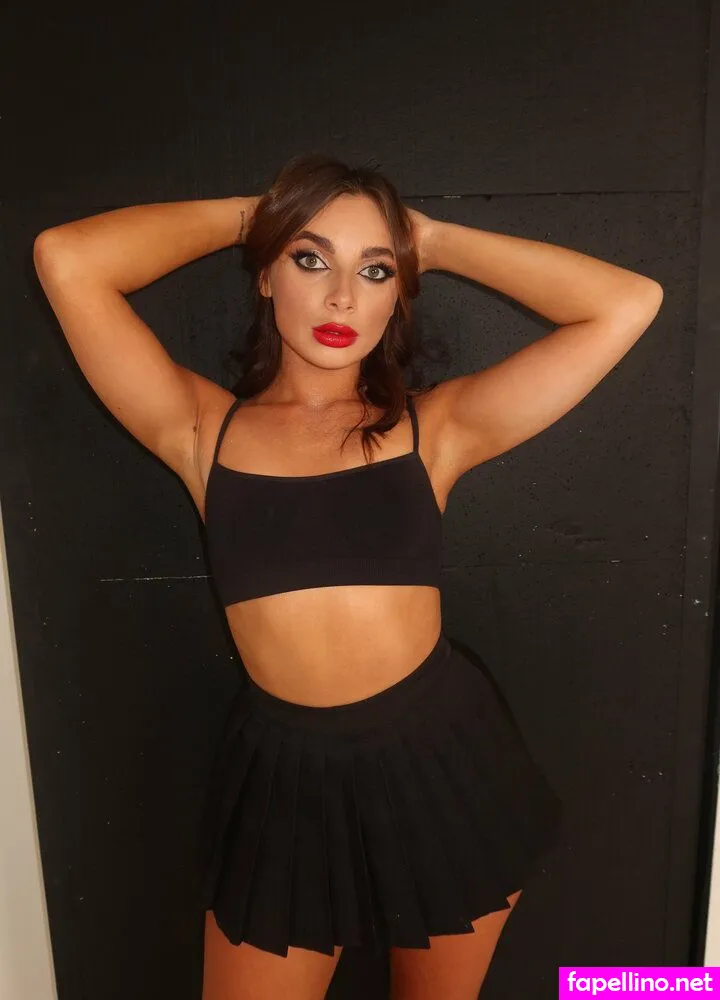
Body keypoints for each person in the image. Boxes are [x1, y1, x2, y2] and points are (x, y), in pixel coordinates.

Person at [33, 153, 663, 1000]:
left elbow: (627, 303)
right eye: (310, 259)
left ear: (399, 293)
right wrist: (259, 218)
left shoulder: (435, 429)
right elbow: (68, 259)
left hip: (440, 761)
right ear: (265, 277)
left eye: (374, 271)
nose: (341, 299)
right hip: (287, 783)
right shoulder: (201, 431)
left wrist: (432, 241)